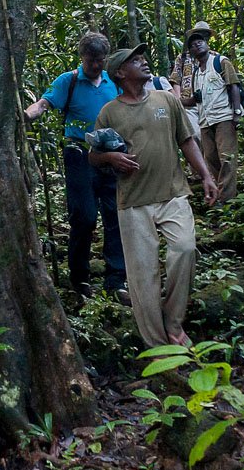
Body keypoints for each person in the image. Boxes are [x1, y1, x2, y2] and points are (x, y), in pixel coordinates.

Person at [90, 44, 219, 347]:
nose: (144, 62)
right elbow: (93, 157)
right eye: (135, 61)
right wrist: (110, 158)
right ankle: (158, 345)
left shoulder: (166, 100)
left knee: (185, 249)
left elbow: (186, 140)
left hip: (173, 194)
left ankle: (174, 323)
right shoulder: (109, 112)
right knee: (143, 276)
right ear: (120, 73)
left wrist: (205, 175)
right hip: (133, 203)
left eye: (143, 58)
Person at [24, 32, 127, 297]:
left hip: (111, 153)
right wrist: (27, 115)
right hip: (78, 153)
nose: (96, 65)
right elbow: (45, 103)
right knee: (84, 216)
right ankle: (80, 277)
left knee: (115, 215)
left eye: (101, 60)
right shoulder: (68, 81)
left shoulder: (112, 82)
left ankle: (116, 279)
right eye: (92, 60)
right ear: (82, 57)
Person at [169, 22, 244, 202]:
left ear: (207, 41)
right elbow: (184, 89)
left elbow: (233, 85)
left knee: (226, 156)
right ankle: (219, 192)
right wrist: (177, 102)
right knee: (210, 157)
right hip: (204, 118)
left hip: (223, 116)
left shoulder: (220, 61)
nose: (198, 44)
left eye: (201, 39)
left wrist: (236, 112)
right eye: (194, 41)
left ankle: (226, 199)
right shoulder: (192, 67)